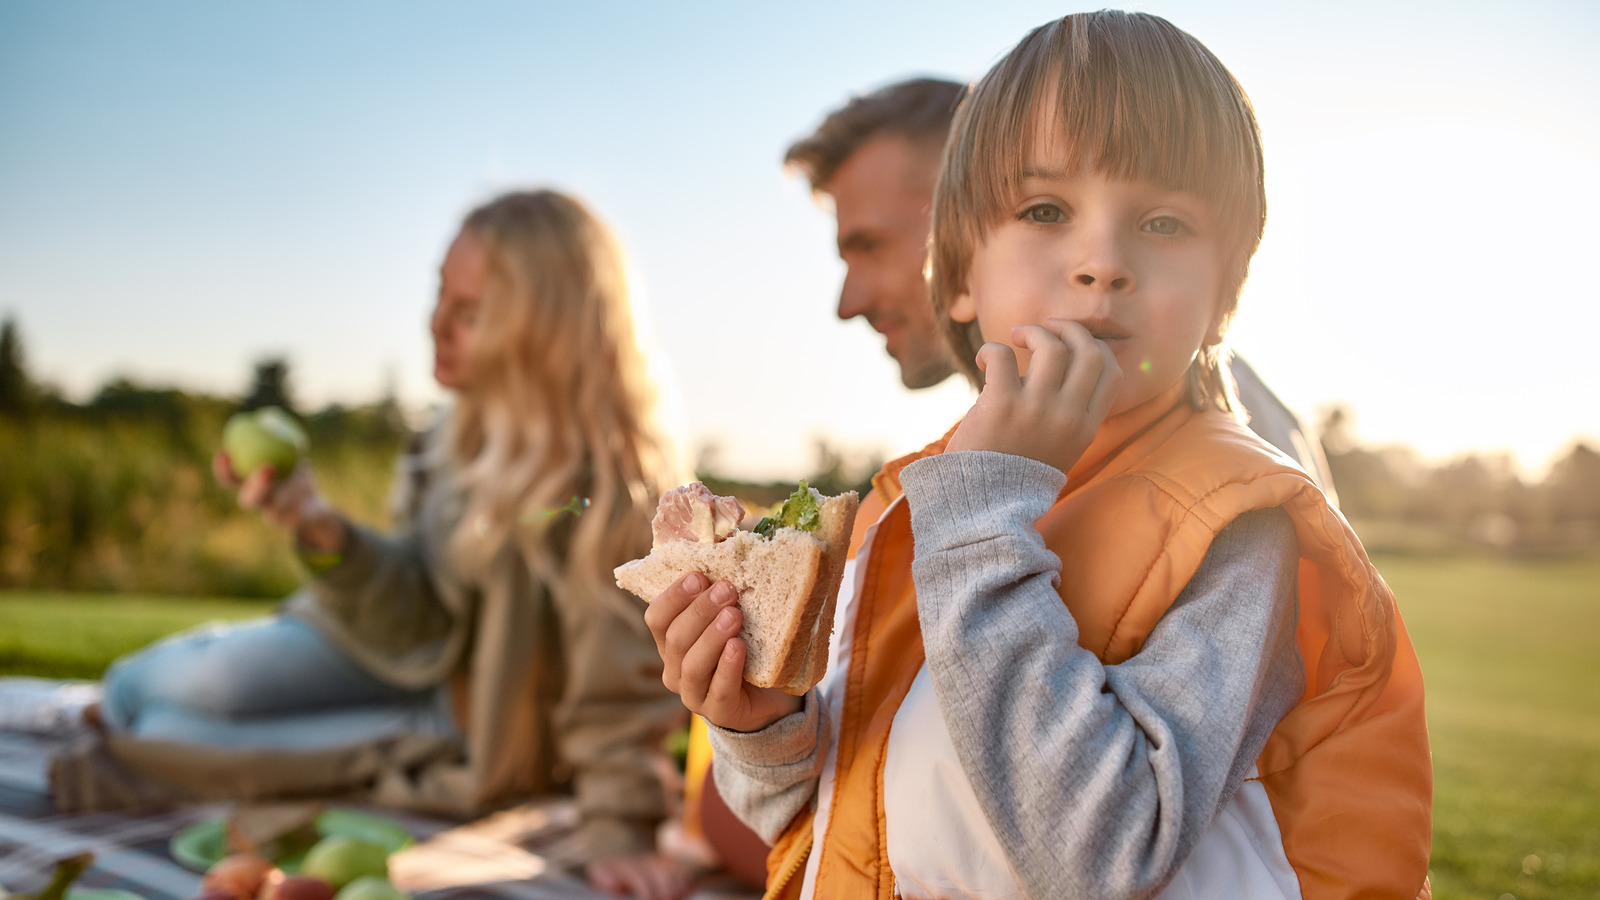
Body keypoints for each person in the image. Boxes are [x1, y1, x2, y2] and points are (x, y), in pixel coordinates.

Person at [647, 12, 1430, 899]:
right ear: (961, 276)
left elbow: (1097, 858)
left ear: (1226, 295)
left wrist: (981, 516)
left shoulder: (1232, 520)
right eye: (1046, 210)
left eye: (1166, 222)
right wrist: (764, 729)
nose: (1102, 261)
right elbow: (840, 819)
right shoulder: (913, 501)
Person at [59, 190, 692, 900]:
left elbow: (621, 684)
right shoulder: (444, 442)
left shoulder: (601, 488)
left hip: (458, 723)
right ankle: (119, 707)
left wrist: (622, 827)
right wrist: (315, 524)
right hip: (385, 650)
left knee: (171, 730)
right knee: (157, 686)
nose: (436, 327)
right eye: (440, 297)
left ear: (544, 337)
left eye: (471, 313)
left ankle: (123, 726)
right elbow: (416, 606)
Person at [785, 77, 1337, 493]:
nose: (847, 302)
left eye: (871, 247)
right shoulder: (1027, 444)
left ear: (954, 223)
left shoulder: (1224, 451)